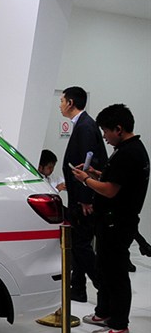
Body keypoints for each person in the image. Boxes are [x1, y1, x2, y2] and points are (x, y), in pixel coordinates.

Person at [71, 103, 149, 333]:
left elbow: (110, 190)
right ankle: (104, 312)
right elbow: (115, 180)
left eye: (106, 131)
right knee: (104, 268)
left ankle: (119, 325)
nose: (104, 137)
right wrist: (96, 174)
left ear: (119, 128)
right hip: (111, 221)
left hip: (118, 222)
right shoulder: (128, 149)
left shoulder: (129, 153)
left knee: (116, 273)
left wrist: (85, 180)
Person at [60, 86, 107, 303]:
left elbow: (88, 164)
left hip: (84, 198)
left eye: (62, 101)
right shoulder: (82, 124)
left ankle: (103, 285)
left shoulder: (85, 126)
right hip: (79, 195)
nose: (60, 105)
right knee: (79, 242)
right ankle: (78, 288)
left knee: (81, 244)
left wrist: (86, 198)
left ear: (70, 103)